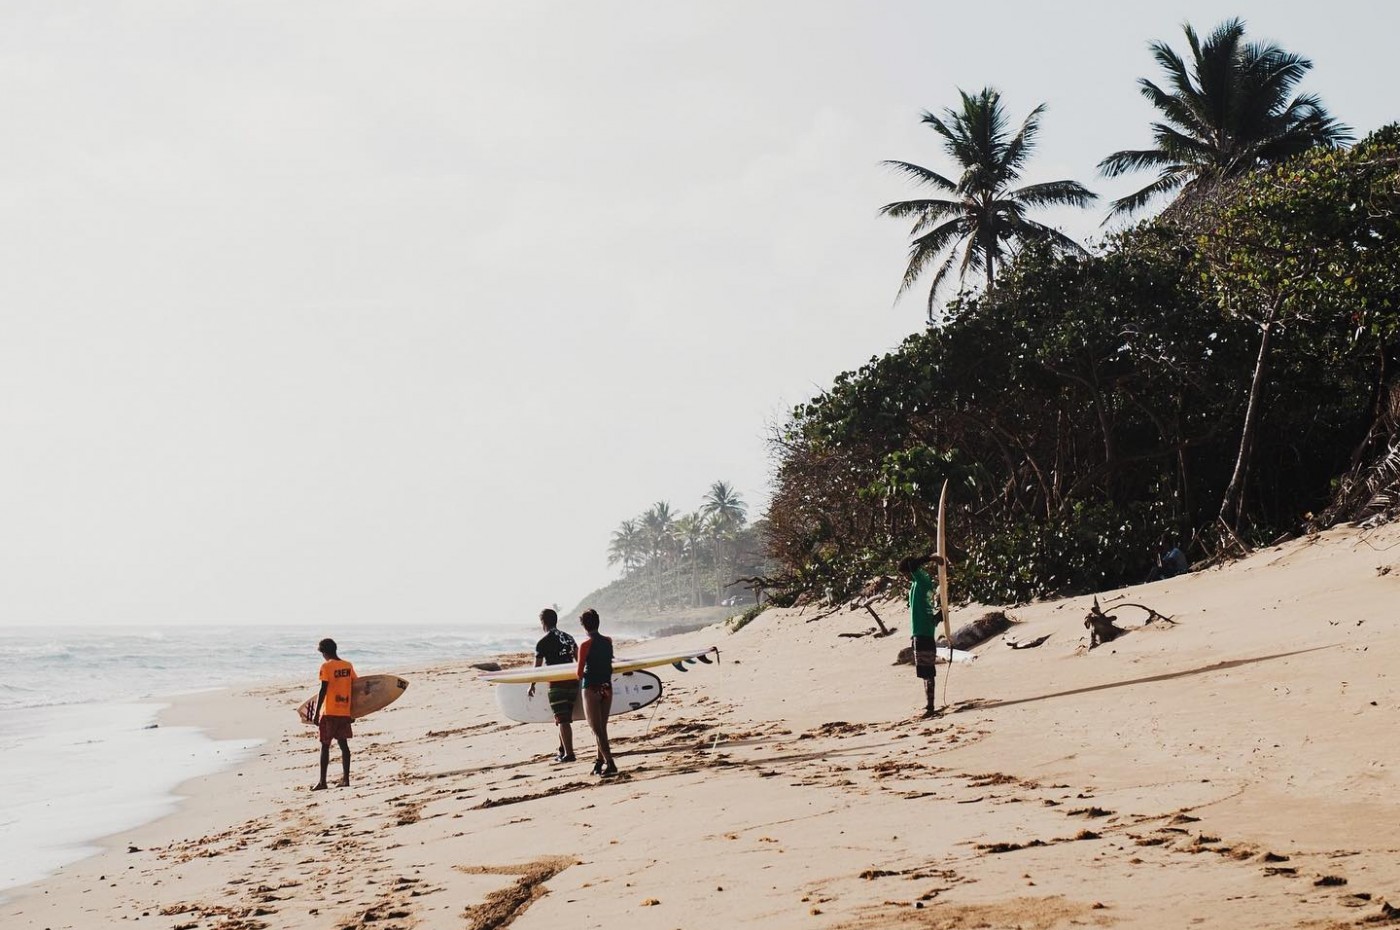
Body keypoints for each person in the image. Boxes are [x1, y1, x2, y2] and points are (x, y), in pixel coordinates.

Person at [527, 608, 578, 762]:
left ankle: (569, 754)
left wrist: (532, 684)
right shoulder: (568, 638)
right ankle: (562, 750)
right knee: (563, 719)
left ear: (543, 623)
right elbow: (579, 660)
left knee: (563, 720)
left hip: (557, 685)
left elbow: (537, 667)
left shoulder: (542, 642)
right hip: (573, 683)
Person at [898, 553, 946, 717]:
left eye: (905, 574)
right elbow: (925, 610)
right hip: (922, 632)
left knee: (927, 671)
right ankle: (930, 705)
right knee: (926, 671)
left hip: (923, 634)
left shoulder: (921, 580)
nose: (905, 578)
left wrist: (931, 558)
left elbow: (913, 565)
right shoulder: (918, 585)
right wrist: (936, 619)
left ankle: (930, 706)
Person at [575, 608, 617, 777]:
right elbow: (609, 661)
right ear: (598, 623)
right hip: (607, 688)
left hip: (591, 689)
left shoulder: (584, 644)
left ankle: (611, 764)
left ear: (583, 626)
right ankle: (599, 763)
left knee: (597, 730)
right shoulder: (608, 641)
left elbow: (579, 673)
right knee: (602, 729)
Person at [312, 637, 356, 790]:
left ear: (324, 652)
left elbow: (323, 689)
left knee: (325, 746)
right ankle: (346, 779)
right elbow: (355, 688)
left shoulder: (326, 667)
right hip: (344, 712)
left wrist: (317, 713)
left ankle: (323, 782)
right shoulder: (348, 666)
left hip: (329, 711)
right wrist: (354, 711)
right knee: (343, 745)